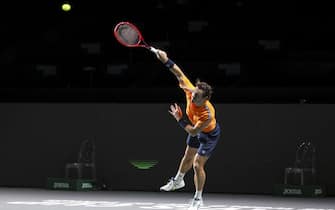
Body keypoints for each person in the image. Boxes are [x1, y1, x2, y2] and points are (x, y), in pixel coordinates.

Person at [155, 49, 221, 210]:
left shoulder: (208, 114)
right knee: (188, 156)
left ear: (205, 99)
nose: (193, 96)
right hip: (195, 127)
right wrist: (165, 59)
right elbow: (178, 72)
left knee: (197, 164)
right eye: (194, 93)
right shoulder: (190, 91)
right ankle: (178, 180)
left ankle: (198, 199)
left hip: (209, 135)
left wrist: (179, 119)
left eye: (197, 96)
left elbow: (193, 132)